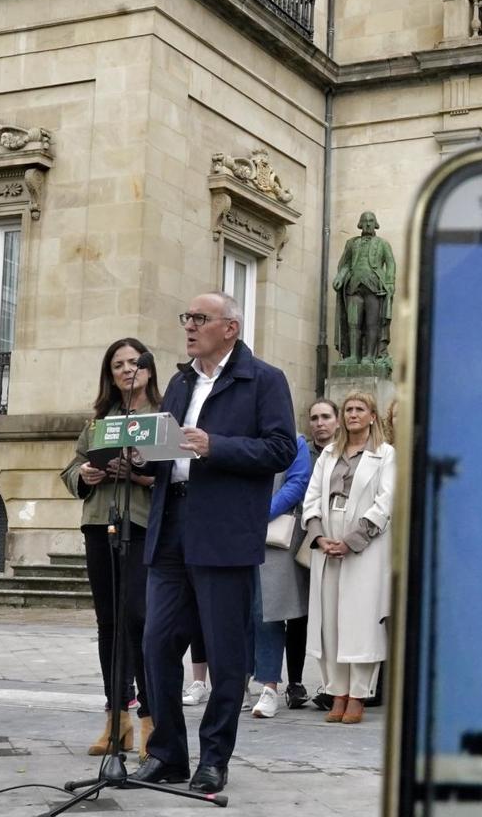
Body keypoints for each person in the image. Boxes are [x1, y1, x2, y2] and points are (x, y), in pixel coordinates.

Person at [131, 291, 297, 794]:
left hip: (223, 532)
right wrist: (139, 458)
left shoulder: (264, 380)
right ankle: (168, 755)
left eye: (200, 318)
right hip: (171, 523)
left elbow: (280, 448)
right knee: (156, 644)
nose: (189, 325)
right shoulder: (180, 382)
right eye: (187, 317)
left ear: (231, 327)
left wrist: (215, 445)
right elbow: (169, 450)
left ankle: (214, 759)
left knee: (225, 656)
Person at [60, 338, 161, 760]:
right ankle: (116, 720)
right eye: (118, 364)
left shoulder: (160, 419)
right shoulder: (98, 421)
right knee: (108, 622)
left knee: (138, 619)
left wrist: (138, 473)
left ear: (148, 371)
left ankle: (151, 723)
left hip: (139, 525)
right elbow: (69, 470)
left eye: (133, 362)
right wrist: (85, 472)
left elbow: (173, 475)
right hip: (99, 523)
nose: (126, 369)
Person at [302, 391, 395, 725]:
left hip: (363, 544)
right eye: (348, 410)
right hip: (328, 539)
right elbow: (312, 496)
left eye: (360, 409)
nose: (353, 414)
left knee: (360, 621)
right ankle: (337, 692)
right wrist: (318, 535)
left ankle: (358, 695)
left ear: (372, 416)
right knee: (331, 622)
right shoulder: (329, 453)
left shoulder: (385, 455)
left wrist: (353, 540)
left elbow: (386, 503)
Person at [249, 434, 312, 718]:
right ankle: (239, 681)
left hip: (272, 535)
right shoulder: (238, 435)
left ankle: (269, 686)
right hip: (233, 530)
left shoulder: (294, 441)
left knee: (268, 613)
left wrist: (259, 512)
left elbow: (297, 483)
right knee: (237, 613)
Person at [303, 398, 339, 713]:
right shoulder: (306, 451)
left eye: (326, 416)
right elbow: (308, 495)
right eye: (314, 417)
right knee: (318, 617)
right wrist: (317, 534)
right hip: (315, 541)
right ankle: (328, 685)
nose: (319, 423)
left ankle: (349, 689)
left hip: (348, 543)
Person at [333, 211, 396, 364]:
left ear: (376, 224)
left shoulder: (382, 243)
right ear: (360, 224)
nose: (368, 224)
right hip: (354, 286)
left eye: (371, 221)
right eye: (365, 221)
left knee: (372, 323)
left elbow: (391, 264)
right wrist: (340, 276)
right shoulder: (351, 243)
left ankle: (369, 356)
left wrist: (389, 282)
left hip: (375, 287)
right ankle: (353, 356)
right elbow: (345, 264)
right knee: (353, 323)